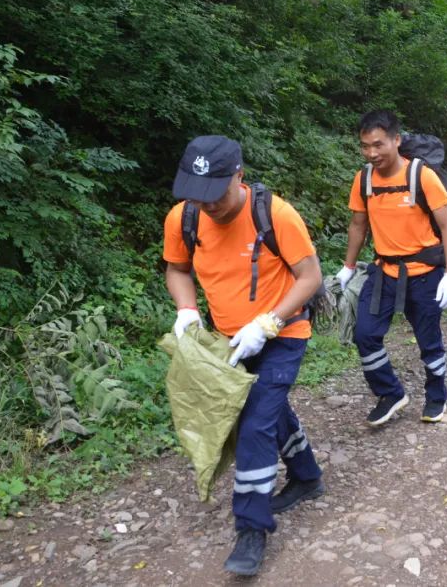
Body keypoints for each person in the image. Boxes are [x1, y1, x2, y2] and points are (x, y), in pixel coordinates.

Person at [162, 136, 324, 577]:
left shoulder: (275, 215)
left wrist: (268, 323)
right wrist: (187, 309)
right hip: (227, 338)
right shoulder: (185, 216)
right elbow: (177, 268)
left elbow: (309, 276)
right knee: (269, 410)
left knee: (253, 422)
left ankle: (251, 527)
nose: (206, 204)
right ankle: (307, 476)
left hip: (283, 333)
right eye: (197, 192)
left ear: (239, 176)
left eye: (215, 191)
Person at [335, 111, 447, 425]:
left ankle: (436, 396)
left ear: (396, 140)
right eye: (365, 146)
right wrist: (348, 266)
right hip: (384, 272)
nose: (372, 153)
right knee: (365, 334)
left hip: (425, 274)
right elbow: (357, 225)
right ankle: (390, 393)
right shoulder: (363, 179)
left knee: (428, 340)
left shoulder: (421, 176)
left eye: (378, 145)